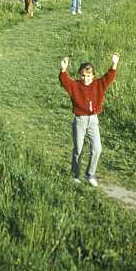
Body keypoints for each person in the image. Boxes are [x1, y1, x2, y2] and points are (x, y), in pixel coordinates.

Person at [59, 53, 119, 186]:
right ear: (80, 75)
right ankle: (75, 175)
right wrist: (63, 69)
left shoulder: (99, 84)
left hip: (93, 120)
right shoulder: (75, 86)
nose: (86, 79)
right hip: (80, 120)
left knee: (97, 148)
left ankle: (89, 174)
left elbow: (109, 77)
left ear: (93, 75)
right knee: (78, 149)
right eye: (83, 76)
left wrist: (114, 63)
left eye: (88, 76)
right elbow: (65, 81)